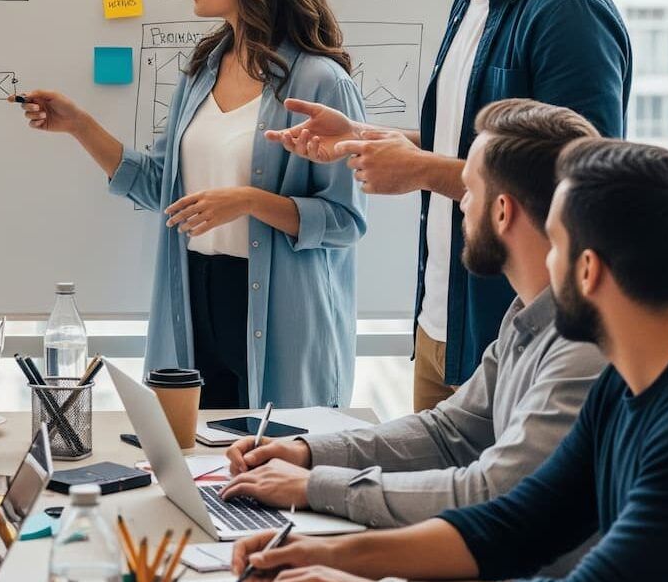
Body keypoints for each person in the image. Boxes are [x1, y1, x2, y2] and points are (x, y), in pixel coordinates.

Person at [228, 139, 668, 582]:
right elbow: (514, 523)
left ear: (588, 271)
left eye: (555, 244)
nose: (543, 262)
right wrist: (322, 554)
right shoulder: (620, 386)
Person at [270, 0, 631, 410]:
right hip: (441, 322)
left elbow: (580, 185)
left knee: (484, 507)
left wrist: (419, 172)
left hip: (518, 339)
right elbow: (484, 150)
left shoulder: (568, 11)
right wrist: (367, 136)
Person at [14, 0, 366, 407]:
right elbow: (163, 187)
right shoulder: (202, 69)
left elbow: (345, 221)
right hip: (194, 294)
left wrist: (248, 200)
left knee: (270, 467)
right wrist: (78, 126)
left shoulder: (320, 81)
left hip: (281, 314)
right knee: (194, 461)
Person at [221, 100, 606, 552]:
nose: (461, 207)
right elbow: (451, 434)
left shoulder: (584, 346)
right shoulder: (527, 313)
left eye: (468, 192)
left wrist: (314, 487)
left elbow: (493, 491)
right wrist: (307, 454)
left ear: (502, 212)